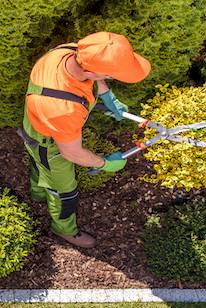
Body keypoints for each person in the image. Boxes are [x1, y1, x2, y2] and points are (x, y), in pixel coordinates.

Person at [18, 32, 151, 248]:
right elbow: (71, 153)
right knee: (64, 192)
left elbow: (93, 71)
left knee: (39, 165)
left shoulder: (67, 52)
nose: (110, 79)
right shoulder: (62, 109)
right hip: (48, 143)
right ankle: (64, 229)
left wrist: (107, 95)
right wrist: (105, 163)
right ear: (91, 70)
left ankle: (37, 191)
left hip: (34, 124)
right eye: (110, 75)